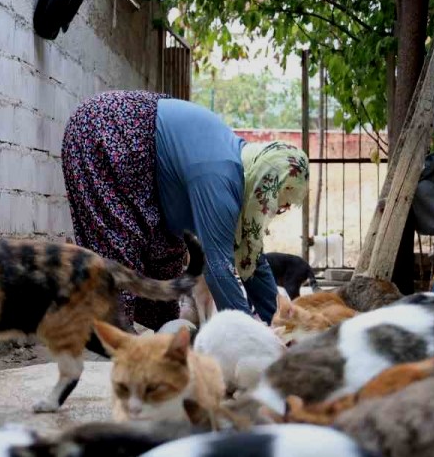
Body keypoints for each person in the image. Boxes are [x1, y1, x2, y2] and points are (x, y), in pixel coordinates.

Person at [61, 90, 309, 331]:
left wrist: (278, 324)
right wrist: (250, 335)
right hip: (110, 133)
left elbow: (251, 261)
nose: (278, 209)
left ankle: (150, 335)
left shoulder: (242, 172)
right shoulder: (221, 175)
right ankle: (113, 344)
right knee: (119, 248)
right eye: (279, 200)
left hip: (143, 163)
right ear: (264, 182)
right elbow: (218, 268)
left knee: (164, 269)